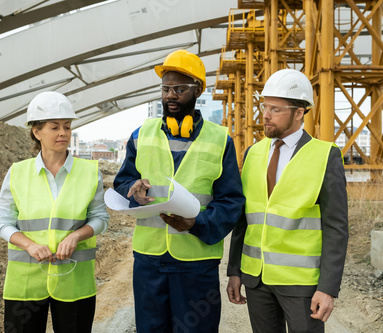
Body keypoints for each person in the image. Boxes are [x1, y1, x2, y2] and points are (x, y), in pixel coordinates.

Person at [113, 49, 245, 332]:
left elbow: (231, 201)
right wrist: (130, 189)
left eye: (179, 89)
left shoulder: (220, 140)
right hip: (149, 261)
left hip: (197, 263)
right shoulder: (141, 135)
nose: (170, 95)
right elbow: (123, 180)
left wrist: (197, 223)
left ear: (197, 90)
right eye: (166, 88)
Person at [226, 69, 348, 333]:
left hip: (301, 283)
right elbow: (243, 220)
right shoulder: (253, 153)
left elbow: (336, 228)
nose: (266, 115)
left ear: (299, 112)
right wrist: (234, 271)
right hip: (256, 279)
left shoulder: (325, 155)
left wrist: (327, 288)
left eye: (275, 109)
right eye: (264, 106)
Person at [0, 91, 110, 333]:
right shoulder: (17, 172)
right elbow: (2, 222)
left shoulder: (89, 172)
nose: (63, 133)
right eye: (54, 127)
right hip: (25, 283)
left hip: (74, 281)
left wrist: (76, 236)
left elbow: (100, 218)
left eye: (67, 127)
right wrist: (30, 246)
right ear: (37, 132)